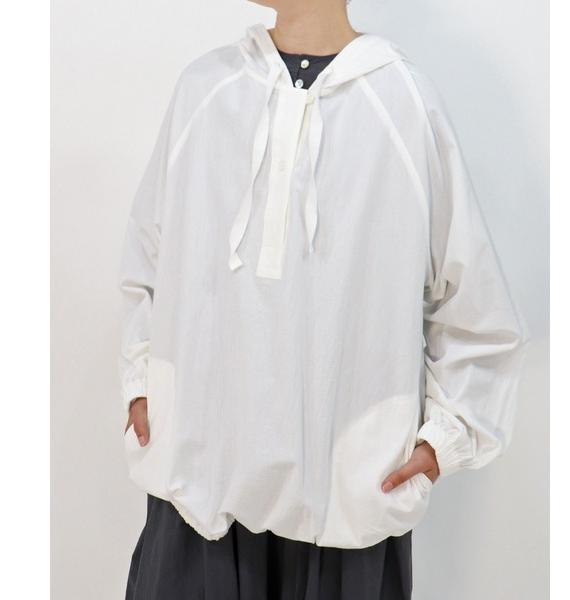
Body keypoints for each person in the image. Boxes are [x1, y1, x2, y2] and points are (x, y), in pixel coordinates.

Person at [118, 1, 528, 598]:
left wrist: (446, 439)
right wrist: (141, 381)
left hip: (347, 500)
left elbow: (476, 304)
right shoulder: (205, 89)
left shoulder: (403, 102)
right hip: (198, 482)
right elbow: (148, 253)